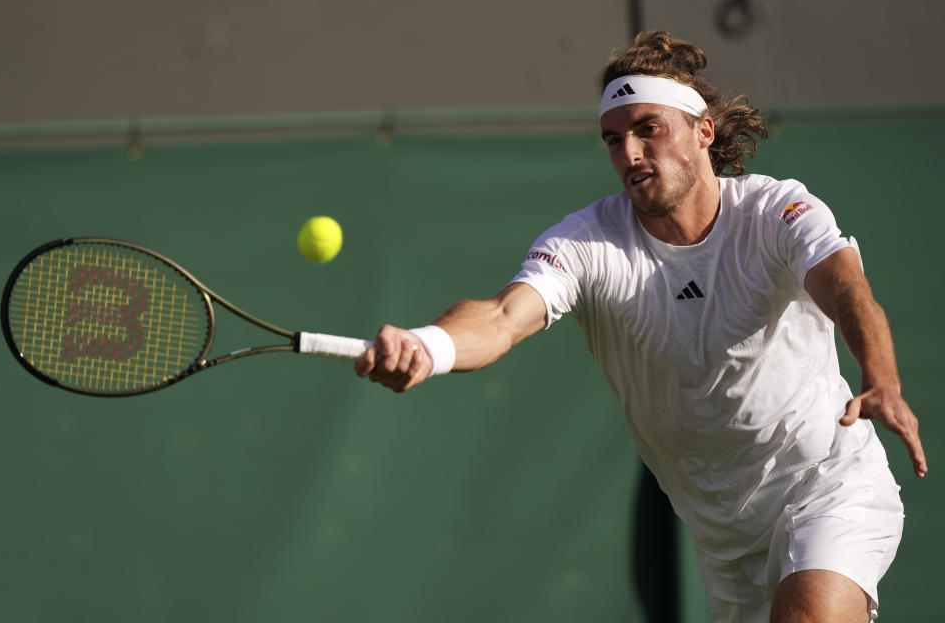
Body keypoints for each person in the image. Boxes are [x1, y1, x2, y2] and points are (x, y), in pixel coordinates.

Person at [354, 31, 926, 622]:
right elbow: (503, 317)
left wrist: (880, 376)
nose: (629, 153)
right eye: (613, 138)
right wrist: (428, 346)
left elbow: (845, 286)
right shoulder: (584, 243)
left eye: (647, 128)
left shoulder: (777, 211)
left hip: (828, 485)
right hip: (724, 541)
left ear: (704, 131)